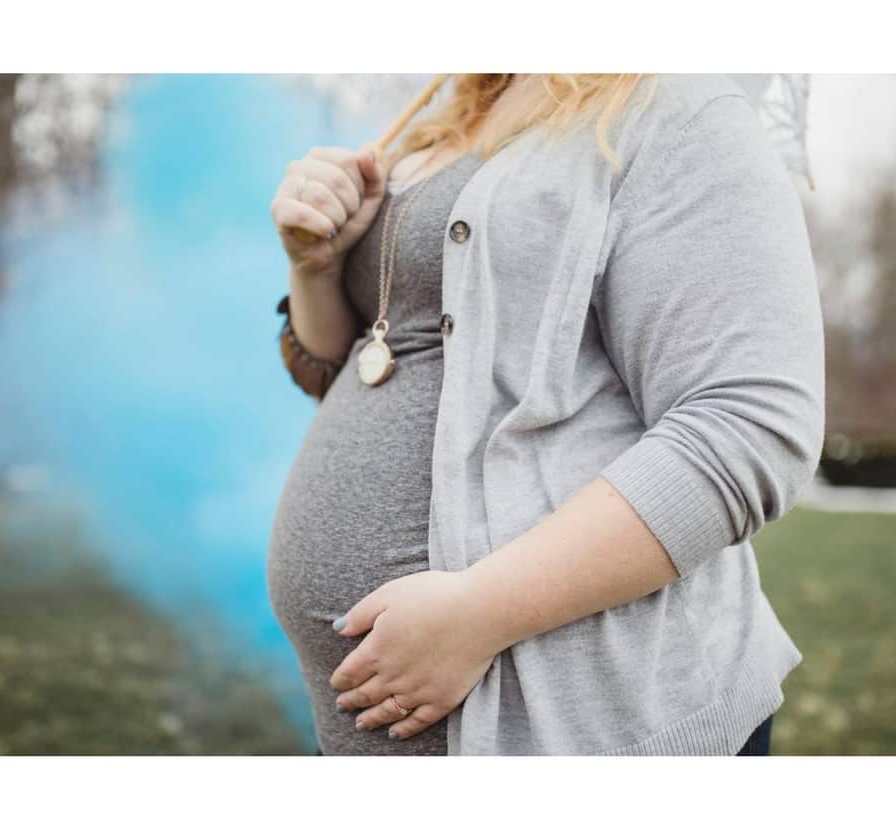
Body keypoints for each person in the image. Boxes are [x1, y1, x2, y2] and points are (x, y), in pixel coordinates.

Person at [265, 73, 825, 755]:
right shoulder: (449, 116)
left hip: (593, 722)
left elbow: (750, 424)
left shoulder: (678, 108)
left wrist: (478, 614)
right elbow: (345, 369)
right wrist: (315, 268)